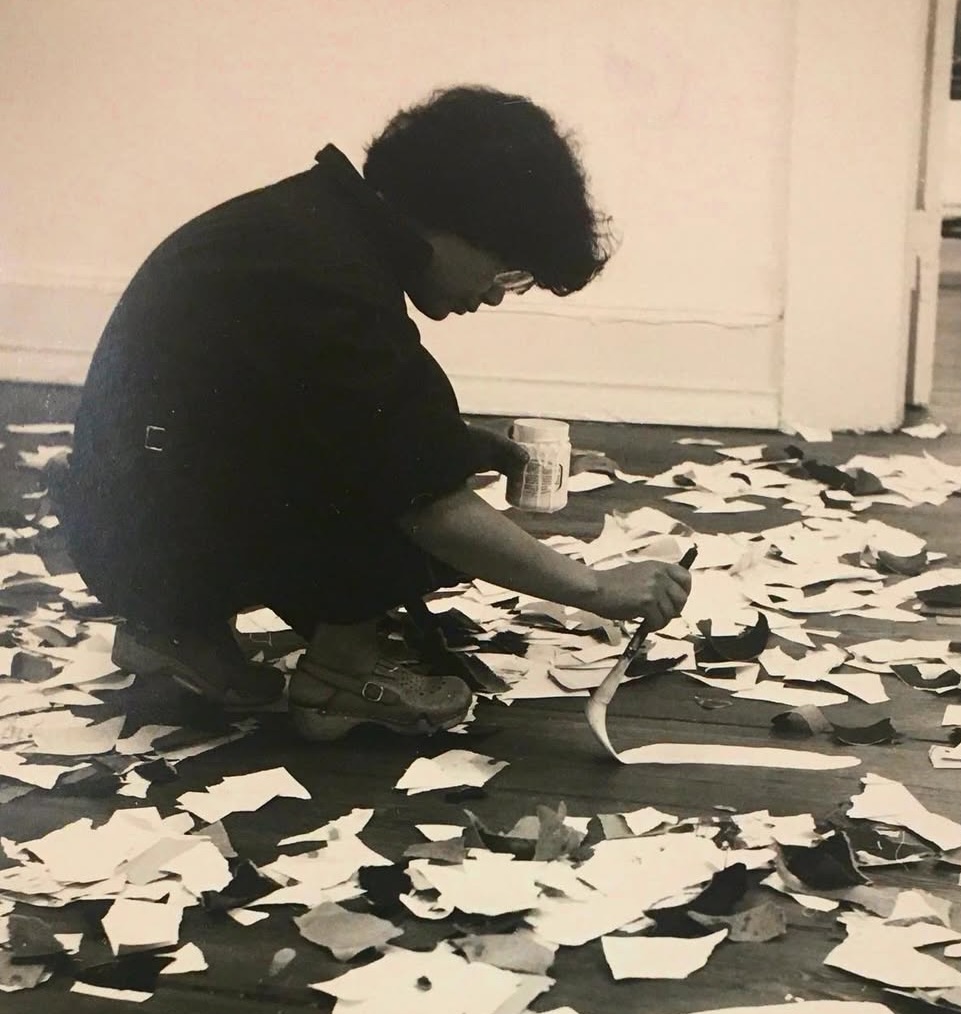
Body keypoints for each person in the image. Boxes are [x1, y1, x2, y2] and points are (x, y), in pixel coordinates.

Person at [62, 85, 692, 741]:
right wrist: (596, 588)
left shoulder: (309, 225)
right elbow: (431, 505)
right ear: (453, 226)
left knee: (413, 460)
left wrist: (456, 446)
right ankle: (341, 675)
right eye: (506, 272)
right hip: (147, 545)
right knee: (419, 510)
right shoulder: (328, 281)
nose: (498, 297)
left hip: (126, 530)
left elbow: (290, 406)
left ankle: (173, 631)